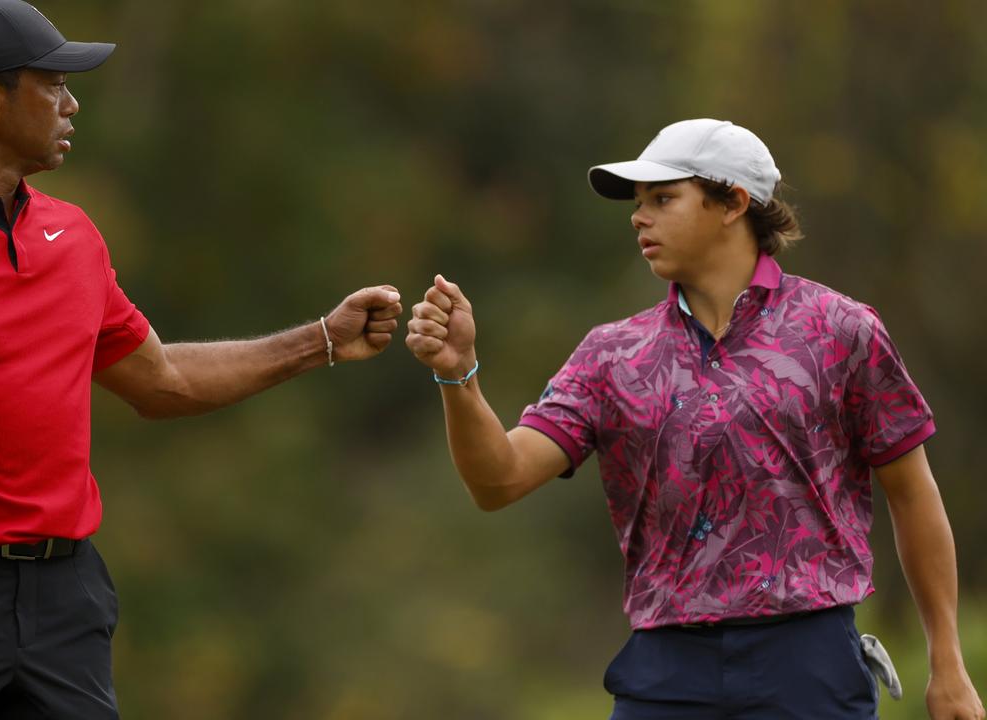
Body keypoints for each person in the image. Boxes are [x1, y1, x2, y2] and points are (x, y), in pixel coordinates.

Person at [0, 1, 403, 718]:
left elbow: (161, 381)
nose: (72, 104)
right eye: (53, 85)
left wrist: (319, 339)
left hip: (64, 603)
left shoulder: (73, 238)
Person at [406, 118, 984, 719]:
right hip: (664, 671)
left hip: (807, 664)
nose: (639, 217)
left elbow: (913, 494)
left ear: (733, 201)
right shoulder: (612, 354)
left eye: (662, 198)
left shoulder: (841, 330)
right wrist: (458, 375)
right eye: (638, 203)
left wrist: (948, 663)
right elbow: (498, 481)